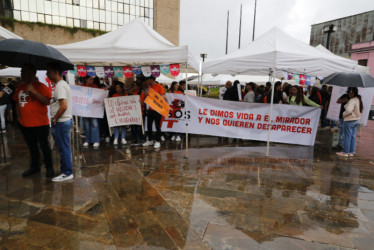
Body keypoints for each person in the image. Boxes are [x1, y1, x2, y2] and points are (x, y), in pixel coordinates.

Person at [13, 64, 53, 177]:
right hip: (25, 124)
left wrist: (34, 91)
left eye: (24, 72)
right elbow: (17, 102)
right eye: (21, 72)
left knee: (44, 146)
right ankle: (35, 166)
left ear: (32, 73)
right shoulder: (20, 87)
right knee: (32, 147)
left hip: (40, 124)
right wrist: (19, 117)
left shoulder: (42, 87)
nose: (21, 74)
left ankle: (49, 166)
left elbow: (47, 101)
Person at [47, 62, 73, 182]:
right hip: (62, 121)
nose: (47, 74)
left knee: (63, 148)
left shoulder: (60, 86)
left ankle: (67, 172)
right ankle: (66, 170)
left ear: (56, 73)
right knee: (63, 147)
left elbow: (63, 106)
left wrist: (54, 119)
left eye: (49, 72)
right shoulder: (60, 85)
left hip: (61, 122)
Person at [143, 76, 168, 149]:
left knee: (157, 126)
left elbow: (164, 97)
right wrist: (147, 95)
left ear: (151, 80)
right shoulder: (149, 87)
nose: (147, 82)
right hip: (150, 109)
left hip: (158, 110)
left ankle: (158, 141)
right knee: (149, 125)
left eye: (148, 80)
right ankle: (150, 140)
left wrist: (165, 105)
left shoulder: (159, 87)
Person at [337, 87, 363, 157]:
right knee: (352, 137)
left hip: (350, 120)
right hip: (356, 120)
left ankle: (345, 152)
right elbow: (360, 110)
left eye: (349, 92)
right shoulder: (358, 99)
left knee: (347, 137)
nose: (348, 94)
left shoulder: (352, 100)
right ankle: (351, 152)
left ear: (352, 93)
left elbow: (348, 110)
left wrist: (343, 114)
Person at [82, 76, 100, 149]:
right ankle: (88, 140)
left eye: (92, 79)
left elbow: (99, 95)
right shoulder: (82, 86)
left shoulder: (95, 86)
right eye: (90, 79)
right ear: (86, 79)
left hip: (93, 109)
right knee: (86, 124)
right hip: (85, 109)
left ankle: (96, 140)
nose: (92, 81)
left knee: (94, 123)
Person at [129, 80, 145, 145]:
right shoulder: (132, 92)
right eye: (133, 85)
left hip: (140, 112)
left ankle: (141, 138)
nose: (134, 87)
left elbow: (143, 104)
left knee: (139, 127)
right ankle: (134, 138)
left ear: (138, 86)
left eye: (135, 85)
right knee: (133, 127)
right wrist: (132, 90)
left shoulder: (142, 93)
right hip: (133, 112)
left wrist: (139, 100)